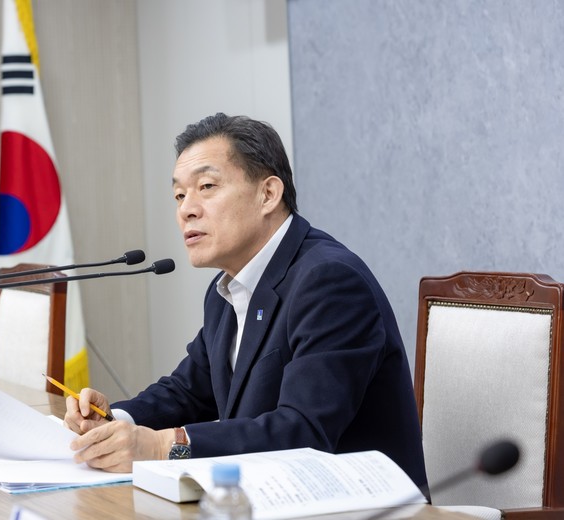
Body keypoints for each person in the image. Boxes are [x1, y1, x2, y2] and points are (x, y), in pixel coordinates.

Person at [65, 113, 427, 488]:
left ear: (268, 194)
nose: (186, 209)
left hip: (359, 502)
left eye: (206, 186)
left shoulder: (329, 281)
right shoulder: (228, 287)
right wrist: (113, 420)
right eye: (179, 195)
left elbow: (304, 431)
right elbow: (188, 391)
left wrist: (163, 446)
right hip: (270, 497)